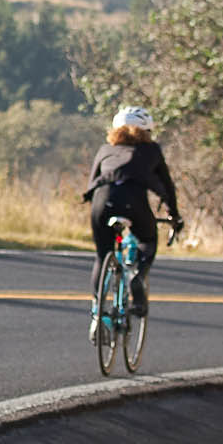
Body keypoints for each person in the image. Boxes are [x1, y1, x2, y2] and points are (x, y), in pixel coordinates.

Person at [82, 105, 183, 315]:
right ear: (147, 131)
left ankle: (97, 311)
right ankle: (137, 276)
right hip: (134, 201)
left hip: (102, 200)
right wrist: (173, 215)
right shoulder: (151, 150)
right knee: (147, 240)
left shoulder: (105, 150)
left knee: (102, 255)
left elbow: (91, 184)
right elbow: (166, 186)